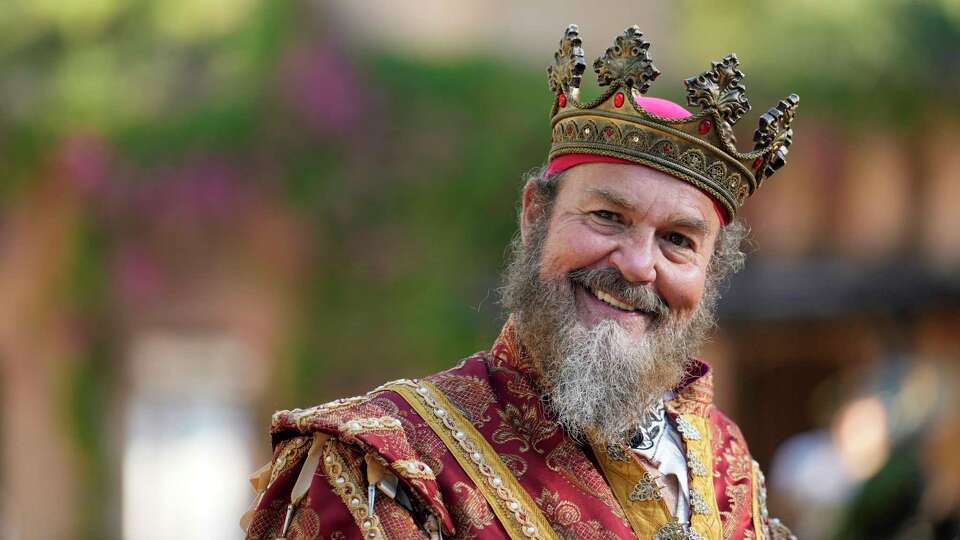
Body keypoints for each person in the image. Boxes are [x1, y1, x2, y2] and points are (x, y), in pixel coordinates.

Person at [243, 24, 799, 540]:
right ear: (535, 216)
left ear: (710, 270)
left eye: (678, 240)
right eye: (608, 217)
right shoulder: (391, 465)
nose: (637, 265)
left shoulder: (727, 464)